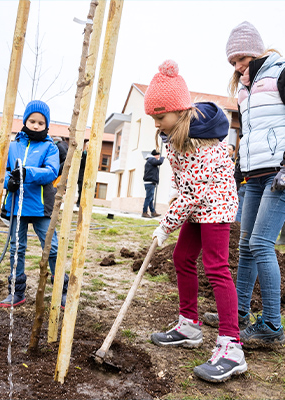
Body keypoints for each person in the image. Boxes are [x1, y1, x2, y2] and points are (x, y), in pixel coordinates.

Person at [144, 59, 247, 383]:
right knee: (182, 257)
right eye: (153, 118)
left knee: (216, 267)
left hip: (216, 207)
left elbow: (193, 195)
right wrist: (175, 211)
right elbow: (186, 191)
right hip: (198, 207)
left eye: (160, 116)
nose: (157, 124)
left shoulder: (204, 147)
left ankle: (232, 348)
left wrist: (165, 224)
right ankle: (189, 325)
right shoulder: (175, 140)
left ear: (178, 111)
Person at [205, 21, 285, 347]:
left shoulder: (280, 74)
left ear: (256, 50)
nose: (238, 66)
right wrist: (238, 171)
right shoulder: (243, 89)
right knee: (246, 245)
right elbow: (249, 135)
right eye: (233, 62)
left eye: (241, 58)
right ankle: (238, 313)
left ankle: (271, 325)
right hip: (254, 175)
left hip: (279, 175)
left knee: (262, 244)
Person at [0, 100, 69, 309]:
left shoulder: (50, 147)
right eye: (32, 121)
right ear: (25, 121)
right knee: (16, 248)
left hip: (40, 206)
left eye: (41, 122)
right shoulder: (13, 146)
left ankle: (60, 289)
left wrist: (27, 172)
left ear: (46, 125)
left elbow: (51, 172)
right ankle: (16, 292)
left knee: (52, 247)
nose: (36, 125)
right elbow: (2, 172)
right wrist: (8, 181)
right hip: (16, 206)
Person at [142, 149, 164, 218]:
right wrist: (162, 158)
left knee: (150, 198)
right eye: (158, 156)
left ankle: (153, 212)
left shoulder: (150, 160)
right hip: (150, 182)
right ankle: (144, 212)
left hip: (150, 182)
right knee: (148, 198)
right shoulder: (151, 159)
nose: (158, 157)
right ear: (156, 155)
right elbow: (159, 162)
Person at [76, 140, 88, 207]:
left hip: (88, 176)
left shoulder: (93, 156)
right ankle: (79, 202)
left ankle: (84, 202)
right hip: (81, 175)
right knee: (80, 190)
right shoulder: (82, 155)